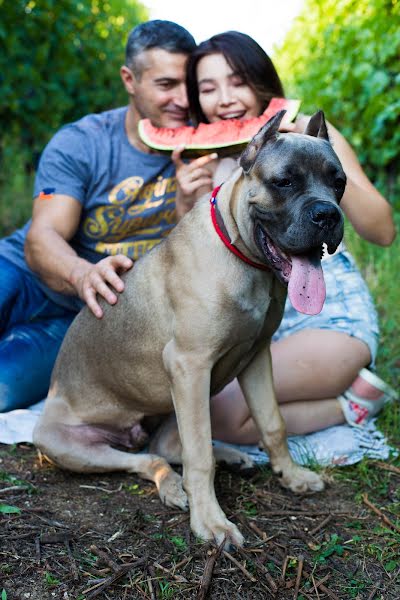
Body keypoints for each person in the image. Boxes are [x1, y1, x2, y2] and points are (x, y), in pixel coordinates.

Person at [172, 31, 397, 439]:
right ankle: (347, 397)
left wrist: (315, 164)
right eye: (208, 88)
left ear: (263, 81)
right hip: (249, 325)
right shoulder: (202, 166)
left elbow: (382, 231)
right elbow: (194, 271)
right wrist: (184, 199)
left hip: (329, 319)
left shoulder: (311, 136)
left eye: (238, 81)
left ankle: (352, 405)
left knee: (221, 417)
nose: (225, 98)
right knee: (190, 408)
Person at [0, 20, 196, 413]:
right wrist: (82, 273)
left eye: (189, 85)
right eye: (165, 85)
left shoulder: (210, 153)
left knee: (5, 388)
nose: (182, 99)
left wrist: (190, 208)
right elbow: (43, 237)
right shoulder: (83, 142)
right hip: (24, 274)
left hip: (88, 319)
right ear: (130, 79)